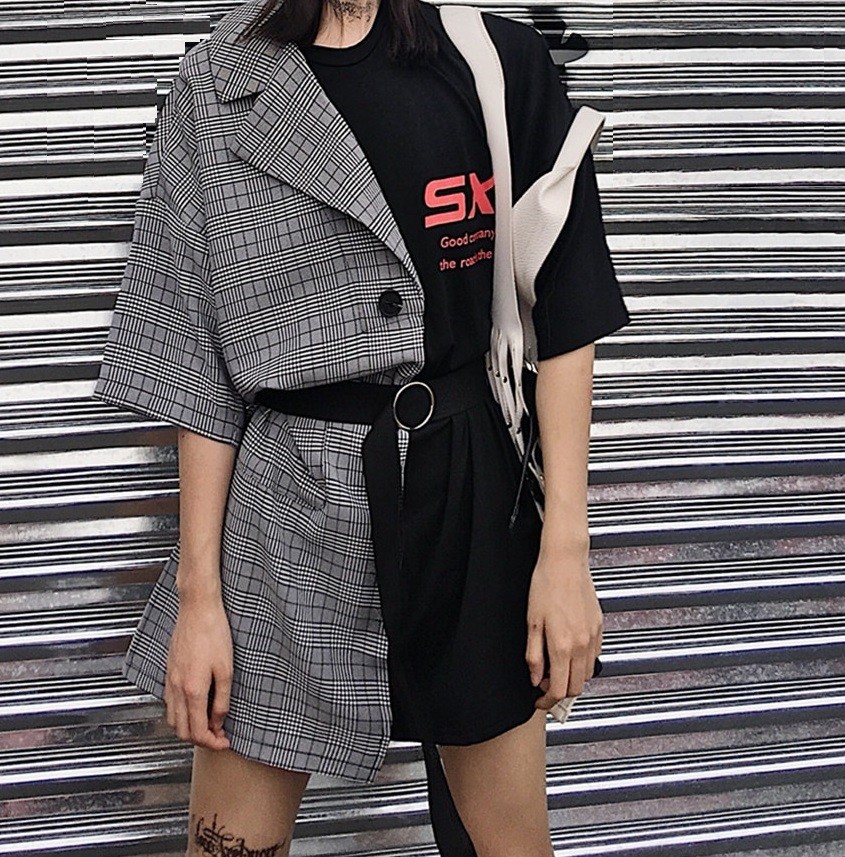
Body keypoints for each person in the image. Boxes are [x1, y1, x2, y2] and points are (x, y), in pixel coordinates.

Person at [92, 0, 631, 853]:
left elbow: (565, 318)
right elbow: (196, 366)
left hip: (469, 494)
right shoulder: (218, 84)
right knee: (230, 842)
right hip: (284, 512)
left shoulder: (495, 63)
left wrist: (565, 554)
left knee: (508, 840)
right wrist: (199, 601)